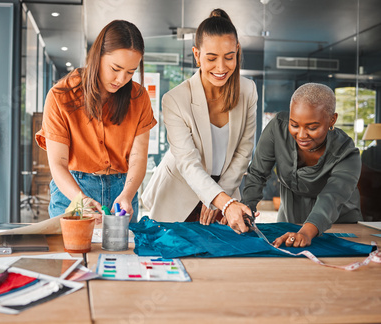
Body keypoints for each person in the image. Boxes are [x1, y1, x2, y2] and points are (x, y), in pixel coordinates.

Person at [142, 9, 257, 233]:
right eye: (211, 58)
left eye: (229, 57)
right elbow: (187, 162)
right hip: (179, 193)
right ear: (197, 55)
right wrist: (223, 200)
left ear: (237, 52)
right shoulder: (175, 99)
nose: (221, 68)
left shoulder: (248, 90)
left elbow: (244, 151)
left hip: (227, 188)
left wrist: (222, 198)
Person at [35, 20, 157, 223]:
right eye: (115, 68)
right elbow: (58, 164)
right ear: (97, 56)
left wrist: (127, 194)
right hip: (73, 190)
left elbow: (138, 157)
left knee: (124, 254)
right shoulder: (60, 96)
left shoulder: (139, 97)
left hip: (122, 190)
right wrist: (80, 199)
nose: (121, 79)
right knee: (71, 253)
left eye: (130, 72)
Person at [242, 83, 362, 247]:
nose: (301, 135)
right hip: (291, 214)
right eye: (294, 124)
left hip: (336, 221)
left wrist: (306, 232)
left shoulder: (347, 153)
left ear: (332, 119)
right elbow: (257, 174)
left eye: (312, 127)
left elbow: (332, 197)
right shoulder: (277, 128)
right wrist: (246, 212)